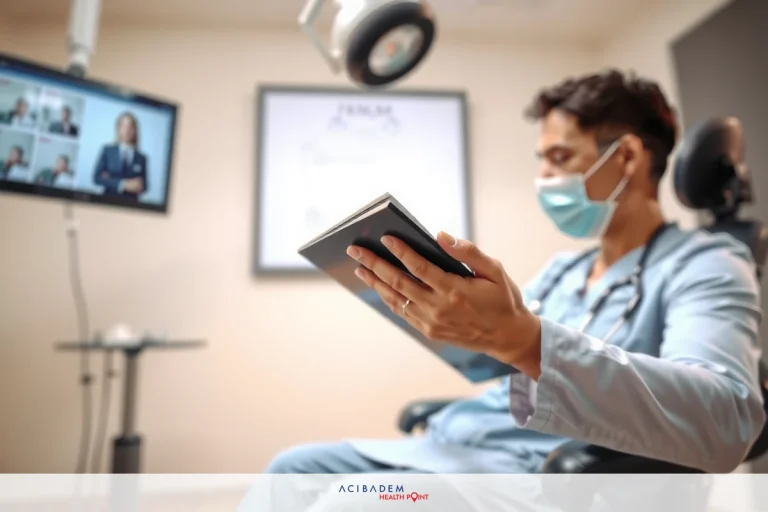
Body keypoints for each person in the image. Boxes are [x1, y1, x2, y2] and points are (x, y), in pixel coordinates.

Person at [263, 70, 765, 480]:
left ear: (628, 157)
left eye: (561, 158)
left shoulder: (706, 264)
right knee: (291, 470)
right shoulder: (564, 270)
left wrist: (526, 341)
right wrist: (450, 318)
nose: (546, 178)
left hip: (529, 468)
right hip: (458, 441)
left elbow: (729, 421)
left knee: (354, 501)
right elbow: (495, 365)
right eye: (542, 160)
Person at [93, 112, 148, 199]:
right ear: (118, 129)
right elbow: (97, 178)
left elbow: (145, 186)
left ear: (135, 131)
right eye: (123, 126)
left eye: (130, 127)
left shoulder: (142, 158)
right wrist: (123, 184)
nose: (126, 130)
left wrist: (110, 179)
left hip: (131, 206)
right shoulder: (108, 151)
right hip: (107, 202)